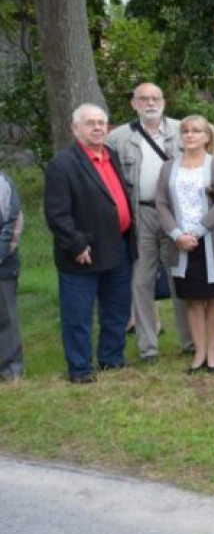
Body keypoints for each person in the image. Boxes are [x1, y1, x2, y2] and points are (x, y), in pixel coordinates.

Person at [45, 104, 135, 384]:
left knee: (116, 309)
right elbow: (57, 213)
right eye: (90, 123)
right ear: (75, 129)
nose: (97, 128)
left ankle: (111, 358)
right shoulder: (63, 164)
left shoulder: (112, 156)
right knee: (78, 314)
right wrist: (76, 245)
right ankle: (80, 368)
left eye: (101, 123)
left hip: (117, 247)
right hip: (83, 251)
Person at [106, 82, 191, 364]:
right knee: (141, 281)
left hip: (175, 215)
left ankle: (190, 341)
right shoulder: (117, 138)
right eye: (144, 99)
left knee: (179, 278)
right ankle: (148, 347)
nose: (150, 103)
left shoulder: (184, 130)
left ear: (163, 101)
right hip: (140, 214)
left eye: (155, 98)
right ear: (134, 104)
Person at [155, 115, 214, 374]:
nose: (190, 135)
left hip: (211, 240)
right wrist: (177, 234)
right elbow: (161, 204)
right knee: (193, 300)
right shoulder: (168, 167)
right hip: (181, 244)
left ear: (207, 136)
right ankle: (199, 351)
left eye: (196, 131)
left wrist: (198, 232)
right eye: (185, 131)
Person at [0, 168, 24, 383]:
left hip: (3, 266)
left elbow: (14, 223)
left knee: (6, 318)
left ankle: (12, 372)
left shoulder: (4, 184)